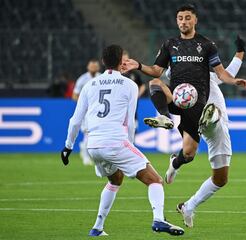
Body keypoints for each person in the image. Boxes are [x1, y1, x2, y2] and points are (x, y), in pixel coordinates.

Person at [60, 45, 184, 236]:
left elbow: (75, 120)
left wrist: (68, 147)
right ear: (122, 62)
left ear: (103, 62)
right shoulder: (129, 85)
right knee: (155, 180)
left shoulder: (89, 85)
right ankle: (159, 220)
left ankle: (97, 227)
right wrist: (130, 144)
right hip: (116, 142)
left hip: (94, 145)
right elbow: (130, 121)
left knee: (115, 179)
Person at [122, 4, 246, 186]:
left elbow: (222, 73)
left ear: (195, 20)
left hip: (197, 105)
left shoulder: (207, 45)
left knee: (189, 153)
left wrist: (235, 80)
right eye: (180, 18)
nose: (184, 21)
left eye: (187, 18)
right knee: (155, 84)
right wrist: (139, 65)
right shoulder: (170, 44)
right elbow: (156, 71)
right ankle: (164, 117)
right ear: (176, 21)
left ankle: (175, 163)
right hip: (177, 99)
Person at [165, 35, 246, 227]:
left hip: (220, 129)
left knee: (221, 179)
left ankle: (188, 206)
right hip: (204, 123)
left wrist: (241, 51)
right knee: (209, 119)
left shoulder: (209, 77)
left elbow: (230, 72)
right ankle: (208, 118)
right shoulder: (179, 86)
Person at [72, 59, 101, 165]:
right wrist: (84, 104)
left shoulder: (102, 77)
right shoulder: (82, 79)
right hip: (87, 112)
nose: (93, 68)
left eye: (95, 66)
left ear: (98, 67)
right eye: (91, 66)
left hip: (99, 111)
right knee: (87, 133)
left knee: (95, 133)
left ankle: (89, 153)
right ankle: (85, 155)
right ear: (88, 67)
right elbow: (74, 95)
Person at [121, 50, 146, 129]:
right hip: (119, 112)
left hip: (132, 111)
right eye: (123, 60)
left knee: (132, 133)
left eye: (127, 60)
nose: (125, 62)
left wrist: (137, 95)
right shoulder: (117, 74)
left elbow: (143, 86)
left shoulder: (134, 74)